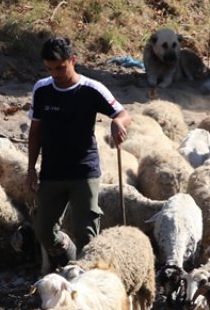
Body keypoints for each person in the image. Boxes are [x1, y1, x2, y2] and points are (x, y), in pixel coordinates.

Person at [25, 36, 131, 268]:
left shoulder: (92, 89)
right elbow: (35, 132)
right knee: (43, 230)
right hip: (52, 171)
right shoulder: (42, 90)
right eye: (50, 69)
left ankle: (87, 283)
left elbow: (122, 113)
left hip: (84, 171)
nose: (56, 74)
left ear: (73, 60)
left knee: (87, 233)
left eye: (60, 67)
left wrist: (118, 123)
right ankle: (69, 255)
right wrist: (31, 169)